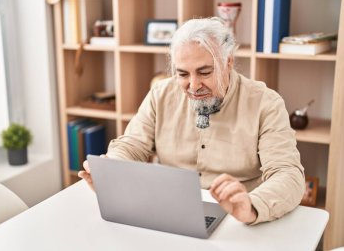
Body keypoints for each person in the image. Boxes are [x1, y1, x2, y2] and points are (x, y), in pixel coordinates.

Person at [79, 17, 305, 225]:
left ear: (228, 62)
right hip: (168, 212)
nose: (194, 86)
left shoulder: (266, 103)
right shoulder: (161, 94)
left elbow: (289, 175)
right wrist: (110, 173)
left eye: (205, 72)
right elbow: (131, 146)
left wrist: (252, 206)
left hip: (237, 220)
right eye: (183, 74)